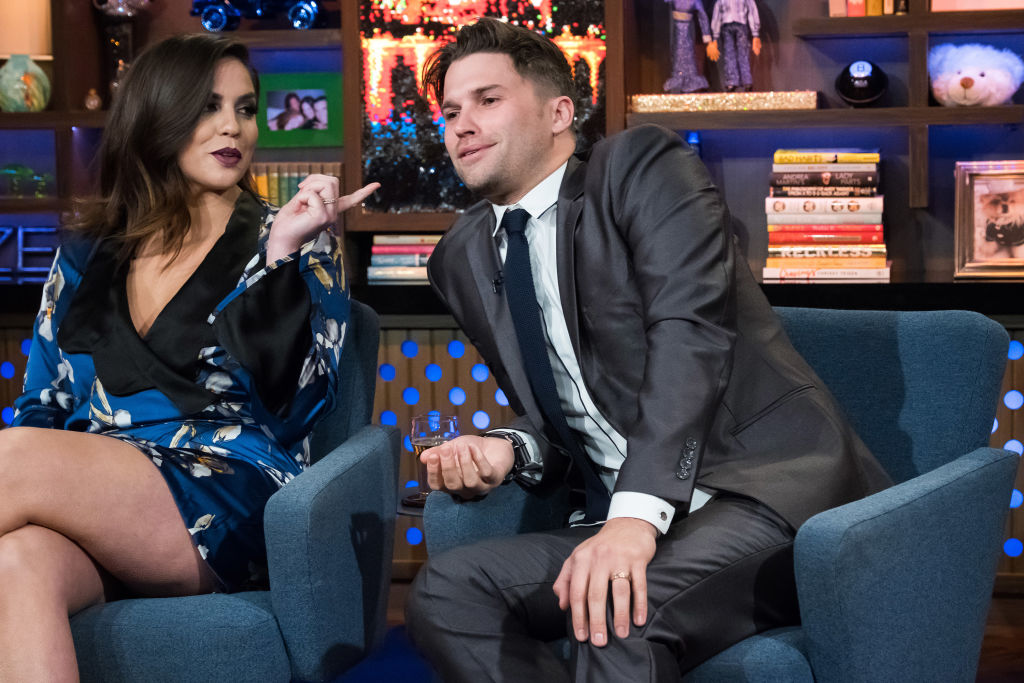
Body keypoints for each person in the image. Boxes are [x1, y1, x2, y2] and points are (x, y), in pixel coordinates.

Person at [404, 17, 891, 682]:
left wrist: (633, 518)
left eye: (487, 100)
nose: (462, 125)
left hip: (760, 494)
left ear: (559, 114)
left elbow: (690, 335)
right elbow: (575, 406)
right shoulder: (461, 258)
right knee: (445, 592)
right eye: (451, 111)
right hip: (625, 513)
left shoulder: (639, 168)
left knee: (614, 613)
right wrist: (510, 448)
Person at [0, 33, 377, 680]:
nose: (233, 126)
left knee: (13, 458)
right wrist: (63, 488)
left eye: (246, 109)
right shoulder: (86, 252)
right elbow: (43, 401)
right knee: (17, 563)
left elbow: (298, 412)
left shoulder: (291, 236)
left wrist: (280, 258)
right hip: (94, 500)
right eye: (208, 106)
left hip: (226, 493)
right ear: (157, 113)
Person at [708, 0, 761, 92]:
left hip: (741, 24)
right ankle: (732, 81)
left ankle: (746, 81)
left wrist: (755, 33)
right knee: (729, 54)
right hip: (726, 25)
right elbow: (717, 14)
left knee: (743, 53)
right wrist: (715, 36)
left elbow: (752, 10)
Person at [662, 0, 711, 94]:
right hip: (677, 29)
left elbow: (702, 15)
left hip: (688, 29)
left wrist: (706, 34)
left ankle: (688, 81)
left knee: (688, 54)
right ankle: (680, 79)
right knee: (678, 54)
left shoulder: (695, 1)